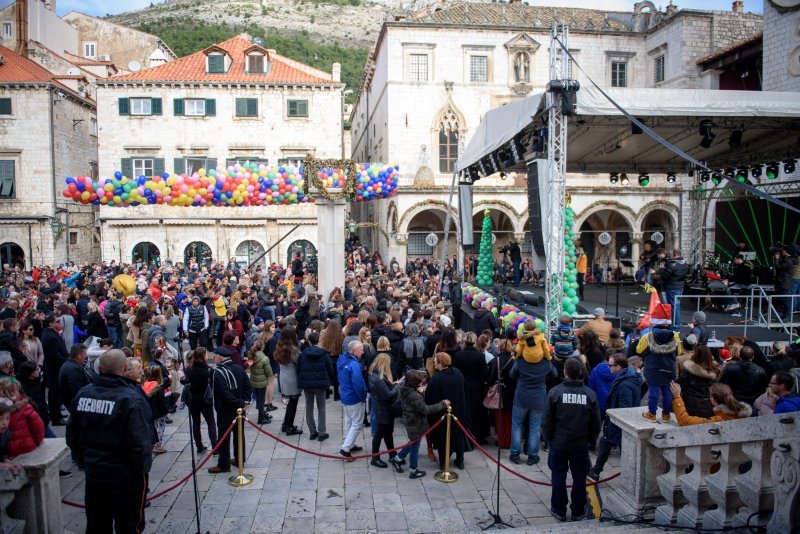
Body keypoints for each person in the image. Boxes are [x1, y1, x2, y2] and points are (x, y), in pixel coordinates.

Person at [65, 351, 153, 533]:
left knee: (97, 522)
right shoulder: (129, 398)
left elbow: (72, 434)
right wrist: (141, 469)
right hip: (125, 475)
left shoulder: (83, 394)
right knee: (129, 524)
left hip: (95, 471)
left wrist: (86, 459)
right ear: (124, 369)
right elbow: (139, 442)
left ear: (100, 368)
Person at [542, 358, 601, 522]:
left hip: (560, 442)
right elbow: (596, 422)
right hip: (579, 443)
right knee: (579, 477)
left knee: (559, 475)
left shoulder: (555, 392)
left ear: (565, 372)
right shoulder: (589, 394)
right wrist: (592, 440)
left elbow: (547, 420)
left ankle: (559, 509)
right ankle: (578, 509)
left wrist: (548, 438)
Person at [589, 354, 641, 481]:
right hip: (617, 422)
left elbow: (625, 407)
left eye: (610, 365)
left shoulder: (625, 385)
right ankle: (596, 471)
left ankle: (629, 476)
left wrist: (614, 418)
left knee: (615, 446)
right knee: (606, 444)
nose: (608, 367)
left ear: (618, 367)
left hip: (619, 423)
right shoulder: (627, 377)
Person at [508, 329, 551, 465]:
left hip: (521, 396)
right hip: (538, 397)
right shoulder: (545, 361)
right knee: (535, 427)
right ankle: (532, 455)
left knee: (516, 425)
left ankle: (515, 454)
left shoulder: (520, 361)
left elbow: (511, 374)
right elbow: (554, 373)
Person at [395, 369, 448, 478]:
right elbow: (425, 409)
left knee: (412, 443)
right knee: (415, 447)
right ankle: (413, 470)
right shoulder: (413, 395)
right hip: (415, 425)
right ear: (414, 383)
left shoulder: (406, 389)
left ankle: (398, 458)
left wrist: (421, 391)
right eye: (420, 382)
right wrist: (442, 404)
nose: (422, 383)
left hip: (411, 422)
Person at [208, 347, 252, 474]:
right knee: (239, 435)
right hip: (240, 409)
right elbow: (248, 386)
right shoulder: (239, 368)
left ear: (219, 358)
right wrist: (245, 401)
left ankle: (223, 464)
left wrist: (240, 402)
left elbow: (224, 393)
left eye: (215, 356)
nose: (214, 358)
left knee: (224, 437)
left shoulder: (218, 373)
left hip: (226, 410)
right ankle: (240, 459)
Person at [425, 352, 470, 470]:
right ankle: (460, 461)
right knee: (459, 436)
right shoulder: (458, 373)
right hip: (459, 412)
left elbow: (430, 398)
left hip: (443, 415)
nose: (434, 362)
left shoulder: (436, 378)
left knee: (442, 438)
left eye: (435, 361)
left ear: (440, 363)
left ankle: (443, 463)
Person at [637, 304, 681, 423]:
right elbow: (679, 352)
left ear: (654, 321)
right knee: (667, 390)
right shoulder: (676, 336)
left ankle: (652, 414)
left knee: (654, 390)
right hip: (669, 368)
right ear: (667, 322)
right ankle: (666, 415)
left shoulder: (648, 336)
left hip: (653, 368)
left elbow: (639, 350)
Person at [296, 331, 334, 441]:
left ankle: (312, 432)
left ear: (309, 341)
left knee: (309, 406)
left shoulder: (303, 354)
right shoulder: (324, 354)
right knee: (321, 407)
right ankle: (322, 432)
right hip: (320, 384)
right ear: (319, 341)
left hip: (307, 384)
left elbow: (298, 369)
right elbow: (330, 369)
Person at [453, 332, 490, 444]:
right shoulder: (479, 356)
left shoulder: (459, 355)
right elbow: (484, 374)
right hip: (476, 387)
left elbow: (455, 371)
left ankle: (464, 435)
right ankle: (477, 436)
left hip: (462, 386)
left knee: (464, 411)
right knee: (477, 413)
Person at [181, 348, 217, 454]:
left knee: (196, 423)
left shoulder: (189, 370)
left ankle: (199, 446)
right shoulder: (209, 370)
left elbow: (185, 382)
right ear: (202, 356)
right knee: (211, 423)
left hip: (193, 400)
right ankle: (215, 446)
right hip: (206, 400)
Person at [367, 353, 400, 469]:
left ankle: (392, 454)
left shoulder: (376, 374)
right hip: (383, 409)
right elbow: (388, 394)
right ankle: (375, 458)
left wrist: (392, 384)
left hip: (384, 408)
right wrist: (397, 386)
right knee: (379, 434)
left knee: (388, 433)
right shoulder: (377, 378)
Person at [669, 381, 751, 425]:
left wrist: (677, 397)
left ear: (713, 400)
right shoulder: (743, 415)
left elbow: (685, 421)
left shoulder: (719, 419)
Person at [0, 377, 45, 457]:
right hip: (26, 447)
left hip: (9, 450)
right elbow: (38, 427)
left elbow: (38, 427)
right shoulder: (25, 407)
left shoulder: (4, 410)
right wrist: (38, 441)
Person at [338, 340, 367, 459]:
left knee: (349, 421)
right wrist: (363, 396)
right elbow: (358, 384)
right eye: (361, 349)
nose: (363, 351)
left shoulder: (342, 360)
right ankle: (345, 448)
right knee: (357, 424)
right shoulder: (354, 365)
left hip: (345, 395)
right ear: (354, 351)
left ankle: (350, 444)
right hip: (354, 397)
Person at [676, 345, 719, 418]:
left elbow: (680, 386)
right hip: (708, 407)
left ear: (696, 355)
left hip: (690, 407)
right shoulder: (715, 371)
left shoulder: (689, 370)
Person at [488, 337, 516, 449]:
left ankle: (500, 441)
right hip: (511, 392)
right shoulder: (514, 361)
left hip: (498, 392)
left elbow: (489, 379)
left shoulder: (495, 360)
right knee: (509, 419)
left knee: (499, 418)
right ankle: (508, 441)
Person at [274, 326, 302, 436]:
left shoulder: (279, 346)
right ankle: (289, 427)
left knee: (291, 403)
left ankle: (286, 424)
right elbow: (298, 362)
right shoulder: (292, 349)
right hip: (292, 377)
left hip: (284, 377)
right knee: (293, 404)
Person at [41, 314, 68, 426]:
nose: (59, 323)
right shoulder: (50, 336)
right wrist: (65, 361)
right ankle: (56, 417)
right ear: (51, 324)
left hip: (55, 367)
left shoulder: (52, 334)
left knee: (56, 393)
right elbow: (54, 355)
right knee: (54, 394)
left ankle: (57, 414)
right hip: (54, 369)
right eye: (57, 321)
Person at [658, 249, 689, 326]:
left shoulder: (673, 264)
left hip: (672, 287)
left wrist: (661, 268)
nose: (670, 256)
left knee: (674, 308)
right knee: (677, 307)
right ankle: (676, 325)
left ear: (675, 254)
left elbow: (664, 275)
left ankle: (675, 327)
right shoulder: (684, 263)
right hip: (680, 287)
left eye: (671, 254)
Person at [248, 339, 274, 425]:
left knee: (258, 399)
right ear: (262, 348)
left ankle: (262, 412)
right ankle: (261, 418)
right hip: (262, 382)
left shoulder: (250, 355)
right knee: (262, 400)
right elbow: (269, 372)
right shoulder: (264, 358)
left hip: (254, 381)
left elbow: (249, 367)